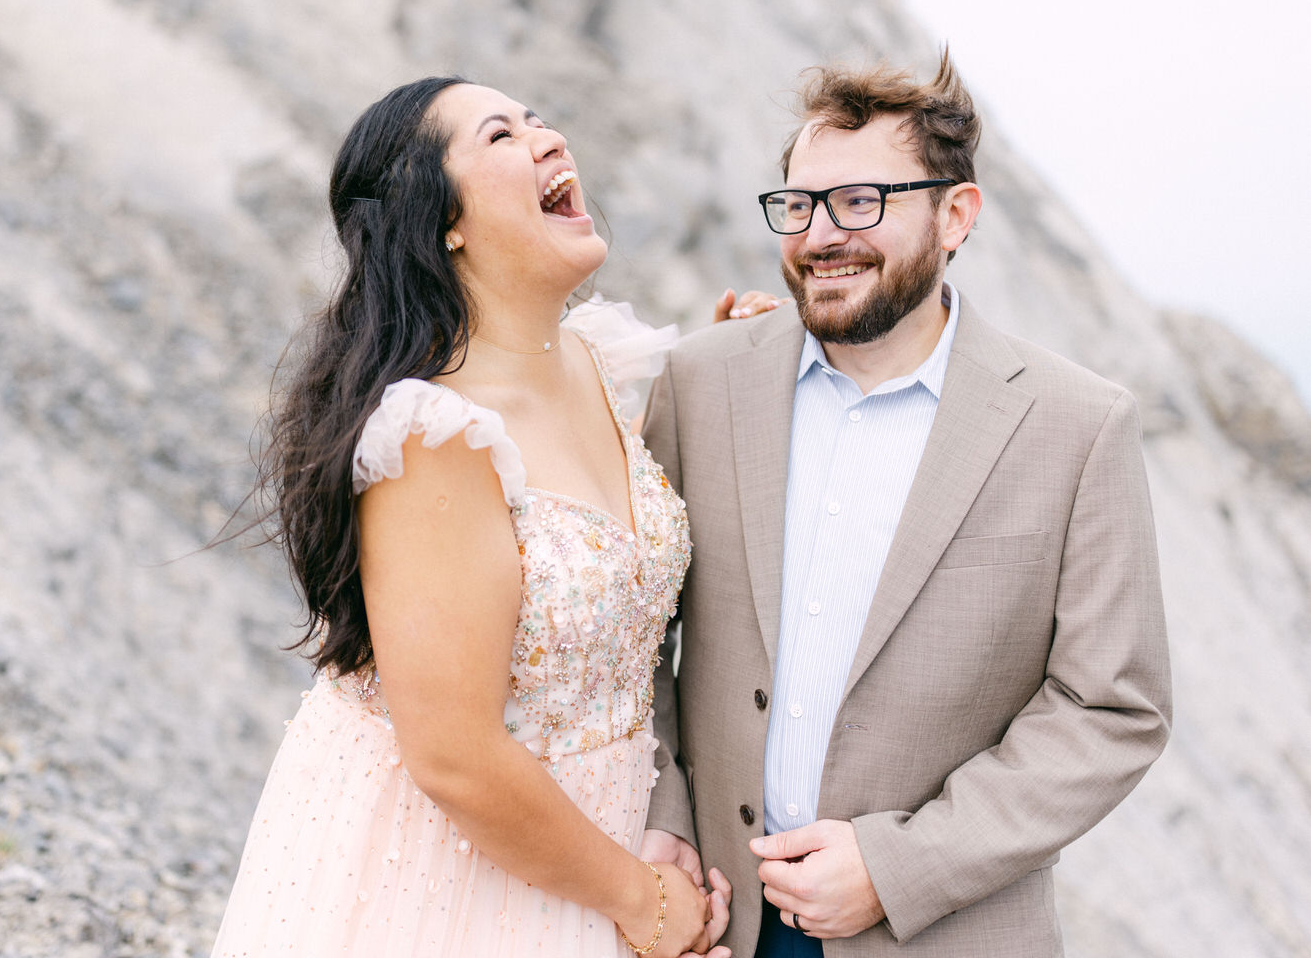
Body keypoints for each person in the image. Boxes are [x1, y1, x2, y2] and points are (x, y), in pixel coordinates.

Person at [640, 52, 1172, 956]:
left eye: (860, 201)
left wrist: (899, 867)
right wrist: (665, 815)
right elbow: (636, 631)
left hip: (940, 930)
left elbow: (1111, 709)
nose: (819, 234)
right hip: (711, 918)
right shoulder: (699, 381)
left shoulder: (1077, 425)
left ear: (955, 214)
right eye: (799, 204)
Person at [210, 77, 734, 958]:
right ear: (440, 218)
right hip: (444, 881)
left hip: (582, 853)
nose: (549, 138)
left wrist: (739, 370)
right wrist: (645, 905)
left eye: (539, 119)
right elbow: (453, 754)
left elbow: (606, 540)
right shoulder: (433, 436)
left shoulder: (590, 361)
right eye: (501, 136)